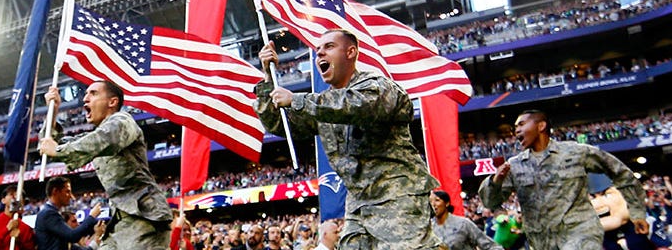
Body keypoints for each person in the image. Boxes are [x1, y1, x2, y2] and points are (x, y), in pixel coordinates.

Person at [254, 31, 442, 249]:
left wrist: (298, 99)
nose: (320, 53)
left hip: (397, 194)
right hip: (359, 201)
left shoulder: (379, 87)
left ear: (351, 52)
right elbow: (280, 125)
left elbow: (355, 105)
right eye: (317, 51)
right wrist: (268, 79)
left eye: (329, 46)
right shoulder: (322, 107)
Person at [478, 110, 647, 250]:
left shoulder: (576, 152)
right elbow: (490, 202)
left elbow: (622, 174)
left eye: (521, 124)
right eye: (515, 127)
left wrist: (637, 213)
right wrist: (495, 182)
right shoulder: (514, 166)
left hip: (581, 233)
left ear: (541, 126)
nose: (516, 131)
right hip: (543, 242)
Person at [40, 82, 173, 249]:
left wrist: (58, 150)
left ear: (112, 102)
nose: (85, 99)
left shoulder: (123, 121)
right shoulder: (95, 136)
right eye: (86, 94)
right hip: (121, 221)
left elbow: (103, 140)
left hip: (144, 218)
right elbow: (50, 146)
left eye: (93, 93)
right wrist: (52, 113)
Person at [33, 177, 100, 250]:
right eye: (67, 191)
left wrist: (96, 237)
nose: (72, 197)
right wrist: (91, 216)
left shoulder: (52, 213)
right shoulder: (48, 213)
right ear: (55, 191)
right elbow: (72, 236)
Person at [428, 190, 501, 250]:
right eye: (430, 202)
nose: (433, 204)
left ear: (447, 203)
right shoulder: (429, 229)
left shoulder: (463, 223)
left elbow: (490, 245)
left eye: (437, 200)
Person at [0, 186, 35, 250]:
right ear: (3, 200)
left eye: (19, 195)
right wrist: (6, 230)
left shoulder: (26, 228)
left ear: (23, 203)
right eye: (11, 194)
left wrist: (19, 240)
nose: (15, 197)